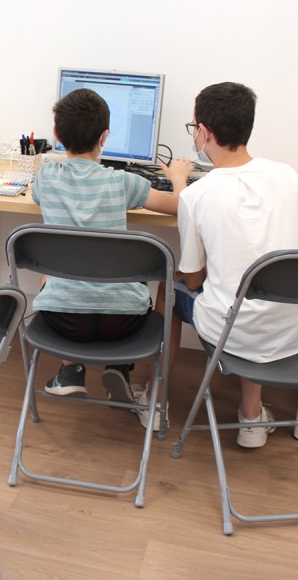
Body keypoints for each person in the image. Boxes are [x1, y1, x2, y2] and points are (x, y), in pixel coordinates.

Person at [163, 81, 298, 447]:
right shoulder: (284, 176)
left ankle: (156, 397)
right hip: (293, 331)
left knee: (173, 287)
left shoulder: (195, 195)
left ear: (205, 133)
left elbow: (192, 280)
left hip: (231, 334)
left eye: (193, 128)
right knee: (249, 289)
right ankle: (251, 417)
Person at [31, 88, 194, 418]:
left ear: (57, 135)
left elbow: (35, 196)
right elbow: (179, 205)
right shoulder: (123, 182)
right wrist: (178, 178)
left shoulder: (46, 177)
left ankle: (71, 369)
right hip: (123, 323)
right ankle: (119, 368)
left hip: (63, 322)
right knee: (125, 283)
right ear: (105, 137)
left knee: (52, 274)